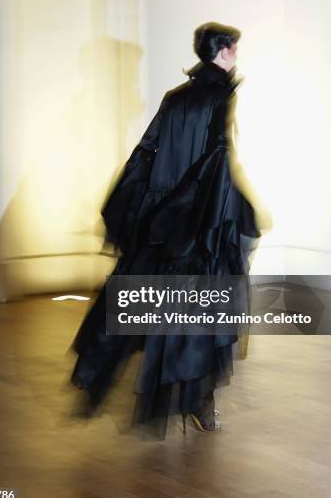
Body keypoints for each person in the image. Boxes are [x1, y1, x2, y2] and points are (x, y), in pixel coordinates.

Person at [68, 22, 265, 440]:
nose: (236, 55)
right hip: (199, 220)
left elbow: (147, 150)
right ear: (225, 51)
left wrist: (141, 207)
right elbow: (217, 159)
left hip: (163, 216)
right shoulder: (220, 95)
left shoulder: (174, 97)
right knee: (201, 314)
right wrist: (235, 209)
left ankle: (94, 374)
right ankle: (199, 404)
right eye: (235, 49)